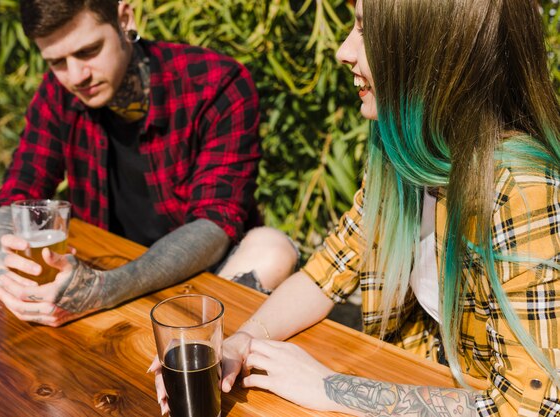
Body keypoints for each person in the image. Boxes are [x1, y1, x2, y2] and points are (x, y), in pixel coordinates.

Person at [150, 0, 560, 415]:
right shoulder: (402, 151)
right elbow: (330, 268)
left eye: (365, 30)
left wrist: (333, 388)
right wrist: (243, 339)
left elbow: (531, 406)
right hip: (414, 371)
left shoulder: (522, 192)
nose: (342, 50)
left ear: (434, 48)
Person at [0, 0, 298, 327]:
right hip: (107, 270)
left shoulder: (216, 83)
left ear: (124, 19)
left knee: (272, 250)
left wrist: (103, 290)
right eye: (56, 62)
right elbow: (17, 193)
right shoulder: (59, 91)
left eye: (89, 51)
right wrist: (6, 265)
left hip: (198, 276)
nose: (76, 76)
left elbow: (215, 223)